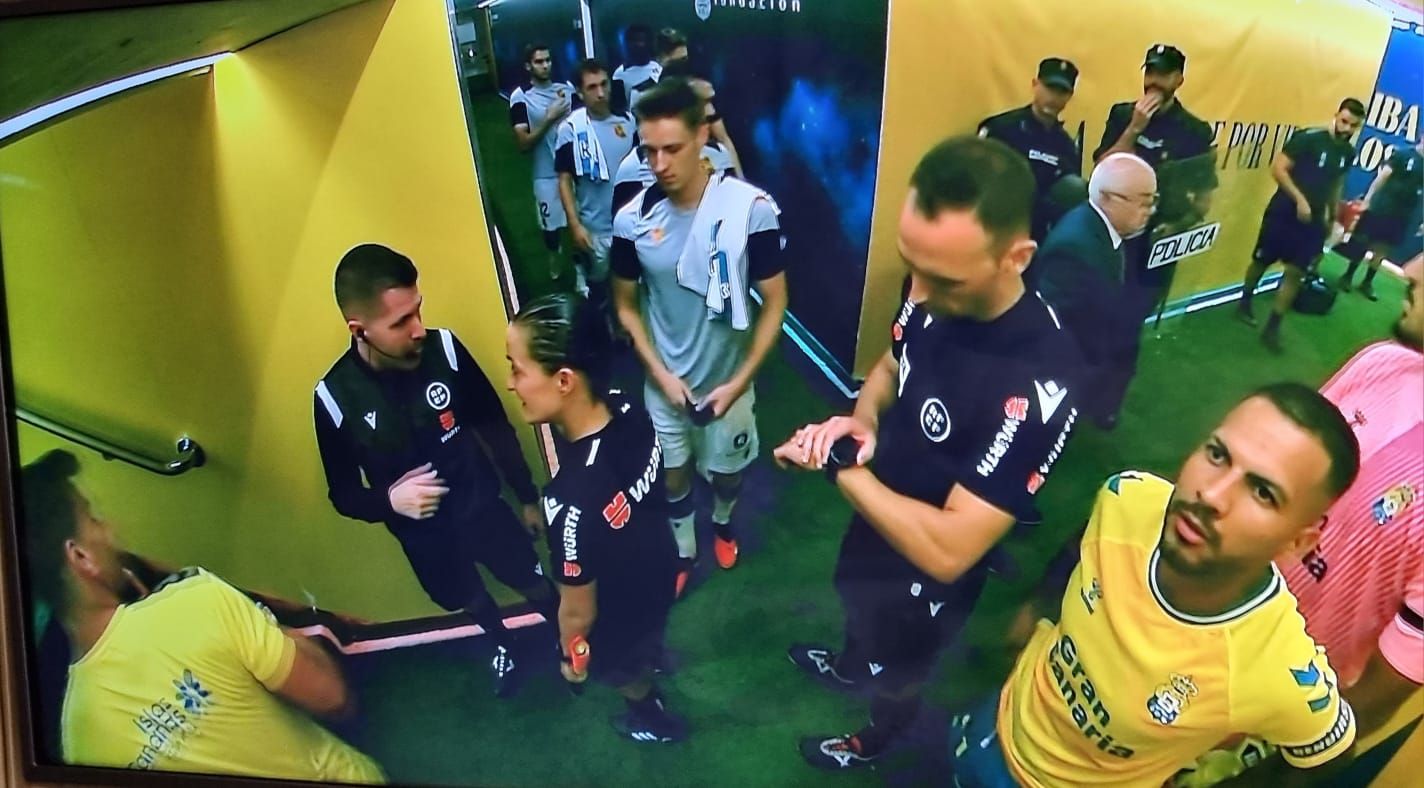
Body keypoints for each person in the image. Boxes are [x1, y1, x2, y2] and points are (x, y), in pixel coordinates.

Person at [775, 135, 1083, 771]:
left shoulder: (1039, 378)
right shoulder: (930, 287)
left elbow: (950, 548)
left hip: (929, 566)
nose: (918, 290)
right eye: (910, 263)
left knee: (902, 665)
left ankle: (877, 737)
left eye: (943, 278)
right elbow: (892, 364)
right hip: (879, 508)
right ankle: (850, 663)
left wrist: (837, 464)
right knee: (855, 598)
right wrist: (861, 420)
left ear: (1017, 257)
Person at [950, 384, 1362, 788]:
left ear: (1298, 542)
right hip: (994, 719)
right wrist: (1038, 608)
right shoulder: (1129, 497)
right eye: (1218, 455)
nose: (1211, 495)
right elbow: (1085, 541)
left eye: (1262, 492)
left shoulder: (1276, 666)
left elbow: (1330, 754)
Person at [1175, 254, 1424, 787]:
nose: (1413, 270)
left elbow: (1387, 684)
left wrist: (1271, 775)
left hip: (1255, 716)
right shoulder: (1382, 363)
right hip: (1181, 627)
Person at [21, 450, 385, 783]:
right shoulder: (195, 601)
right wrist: (279, 632)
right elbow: (334, 699)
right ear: (81, 557)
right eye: (94, 518)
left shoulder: (77, 743)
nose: (110, 529)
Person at [313, 243, 558, 696]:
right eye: (400, 322)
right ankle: (501, 642)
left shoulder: (444, 349)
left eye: (418, 310)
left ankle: (569, 634)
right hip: (425, 540)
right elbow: (342, 494)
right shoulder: (333, 398)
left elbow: (493, 425)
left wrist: (526, 496)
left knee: (530, 579)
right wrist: (389, 501)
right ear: (359, 330)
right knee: (467, 596)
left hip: (483, 510)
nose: (418, 329)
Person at [611, 79, 788, 588]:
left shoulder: (751, 210)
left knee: (728, 475)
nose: (659, 164)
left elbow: (775, 301)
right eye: (649, 151)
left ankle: (724, 522)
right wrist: (660, 376)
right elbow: (625, 307)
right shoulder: (631, 221)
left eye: (672, 149)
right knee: (673, 475)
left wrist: (739, 383)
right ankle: (685, 549)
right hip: (666, 383)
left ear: (702, 137)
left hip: (729, 384)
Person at [505, 293, 686, 743]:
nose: (511, 384)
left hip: (617, 609)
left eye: (517, 369)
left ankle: (652, 719)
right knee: (648, 636)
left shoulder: (568, 505)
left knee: (619, 668)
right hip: (661, 565)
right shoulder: (629, 409)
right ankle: (652, 656)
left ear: (564, 380)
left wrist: (573, 659)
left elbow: (577, 613)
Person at [1035, 153, 1158, 430]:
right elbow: (1057, 325)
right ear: (1108, 198)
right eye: (1143, 201)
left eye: (1153, 201)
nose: (1149, 210)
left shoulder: (1101, 230)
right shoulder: (1074, 247)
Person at [1237, 99, 1365, 350]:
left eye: (1353, 125)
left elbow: (1336, 183)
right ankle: (1245, 301)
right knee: (1261, 261)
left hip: (1313, 222)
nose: (1347, 129)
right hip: (1283, 213)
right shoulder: (1308, 138)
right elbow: (1279, 169)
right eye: (1344, 121)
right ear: (1336, 115)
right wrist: (1299, 200)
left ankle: (1273, 328)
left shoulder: (1348, 153)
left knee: (1296, 272)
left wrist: (1332, 216)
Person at [555, 58, 638, 305]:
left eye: (604, 84)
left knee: (632, 288)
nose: (600, 93)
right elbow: (564, 179)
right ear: (580, 92)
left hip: (630, 224)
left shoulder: (628, 121)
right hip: (595, 229)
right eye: (592, 87)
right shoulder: (571, 129)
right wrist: (575, 225)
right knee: (600, 292)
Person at [977, 57, 1082, 243]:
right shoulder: (1002, 129)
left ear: (1070, 96)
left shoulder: (1065, 146)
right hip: (996, 229)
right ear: (1035, 85)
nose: (1054, 97)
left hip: (1039, 239)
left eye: (1062, 92)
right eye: (1050, 88)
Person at [509, 42, 576, 279]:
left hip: (573, 173)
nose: (545, 65)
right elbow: (523, 144)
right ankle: (554, 255)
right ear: (528, 66)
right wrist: (549, 118)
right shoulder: (520, 97)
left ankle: (581, 274)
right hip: (545, 175)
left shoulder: (566, 89)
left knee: (578, 223)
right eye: (539, 61)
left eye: (548, 60)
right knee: (552, 229)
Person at [1336, 138, 1424, 299]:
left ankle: (1367, 283)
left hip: (1403, 215)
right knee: (1363, 242)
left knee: (1383, 249)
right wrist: (1368, 200)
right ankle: (1347, 276)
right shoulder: (1403, 154)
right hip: (1382, 207)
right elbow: (1382, 177)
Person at [611, 24, 660, 117]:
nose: (640, 45)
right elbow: (619, 107)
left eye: (642, 40)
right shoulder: (619, 74)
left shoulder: (658, 67)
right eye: (636, 41)